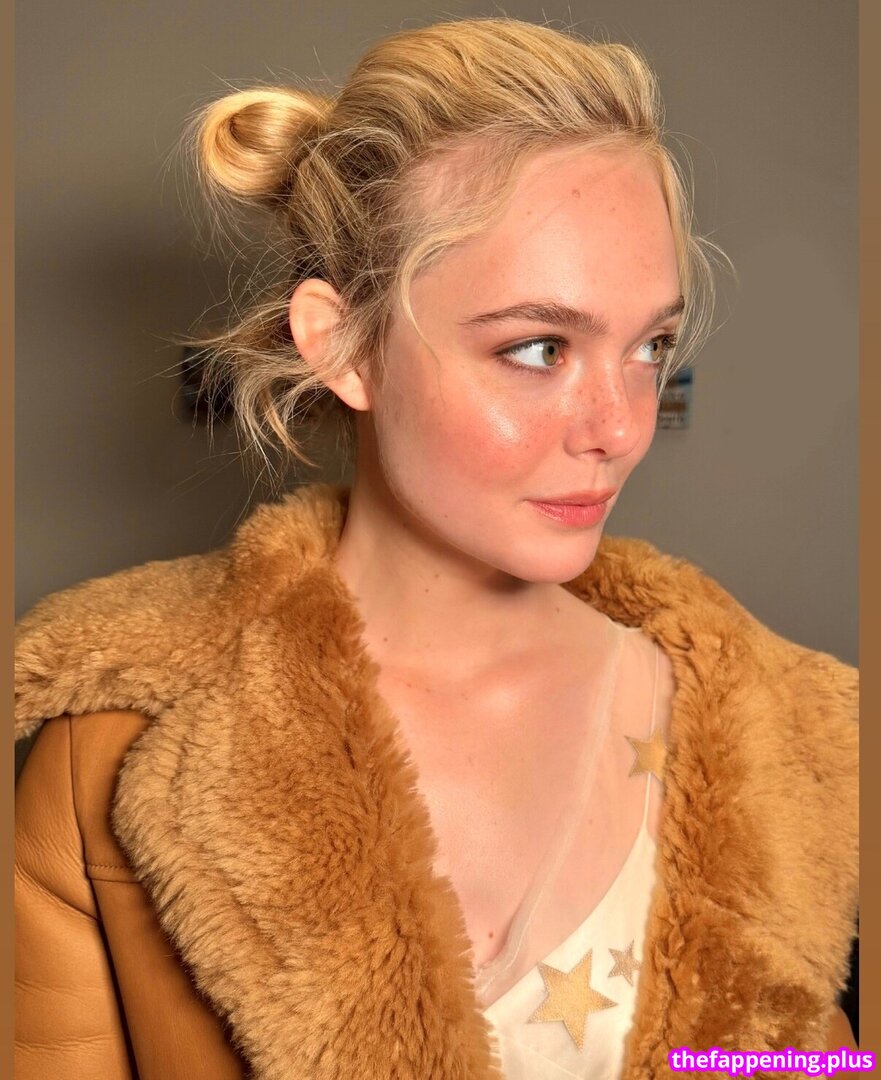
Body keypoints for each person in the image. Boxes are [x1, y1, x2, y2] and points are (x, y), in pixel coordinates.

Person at [14, 16, 859, 1080]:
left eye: (648, 346)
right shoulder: (105, 752)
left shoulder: (805, 747)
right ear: (341, 344)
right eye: (539, 348)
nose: (618, 425)